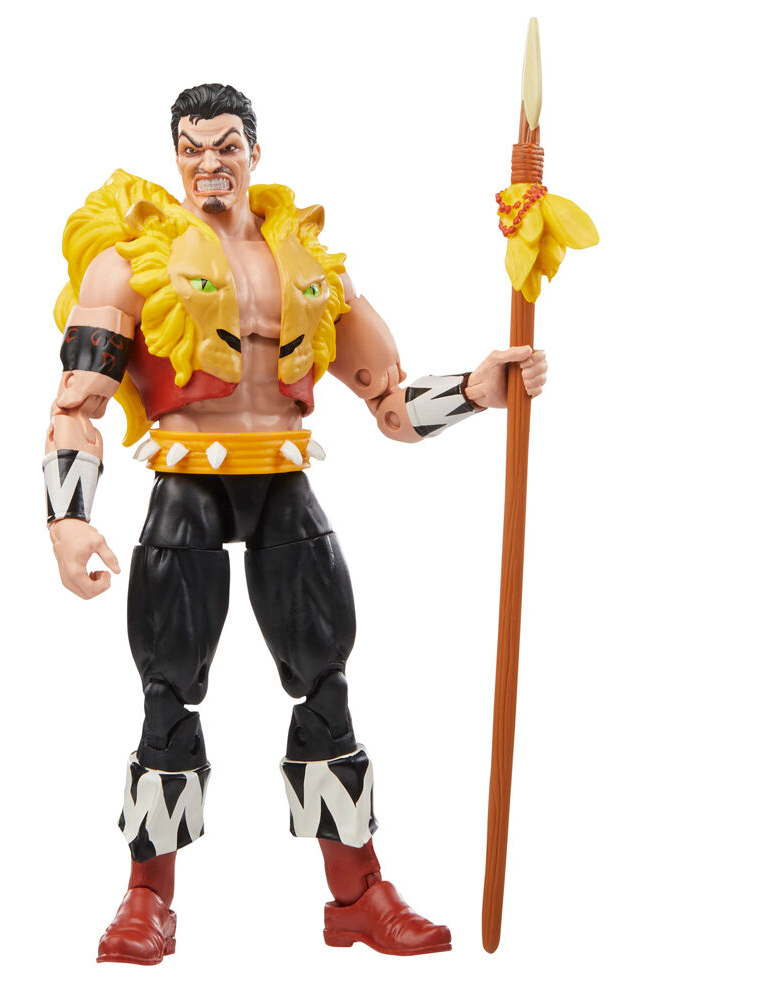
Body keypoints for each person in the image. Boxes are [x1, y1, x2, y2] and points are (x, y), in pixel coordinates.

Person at [44, 83, 546, 965]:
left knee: (325, 684)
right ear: (175, 156)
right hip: (187, 483)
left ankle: (358, 895)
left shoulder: (310, 267)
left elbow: (390, 405)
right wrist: (68, 518)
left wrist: (477, 391)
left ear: (254, 153)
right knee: (168, 692)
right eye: (193, 148)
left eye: (226, 146)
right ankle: (146, 896)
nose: (210, 163)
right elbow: (76, 402)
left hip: (283, 480)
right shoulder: (130, 262)